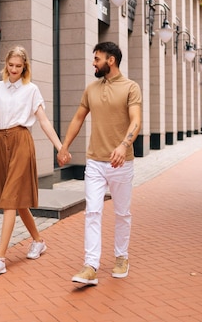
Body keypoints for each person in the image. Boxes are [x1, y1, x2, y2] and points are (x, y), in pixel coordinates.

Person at [57, 42, 142, 286]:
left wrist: (123, 145)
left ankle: (121, 257)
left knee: (122, 213)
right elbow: (78, 118)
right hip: (94, 161)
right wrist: (64, 146)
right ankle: (90, 266)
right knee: (92, 212)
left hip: (121, 163)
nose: (93, 63)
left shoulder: (130, 87)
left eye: (97, 59)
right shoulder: (91, 89)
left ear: (111, 60)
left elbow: (136, 120)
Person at [0, 46, 68, 275]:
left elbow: (44, 121)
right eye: (11, 65)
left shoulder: (31, 90)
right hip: (1, 141)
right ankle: (38, 241)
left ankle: (0, 258)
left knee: (9, 199)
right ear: (6, 64)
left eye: (19, 66)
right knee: (17, 201)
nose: (14, 70)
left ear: (25, 67)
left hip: (21, 141)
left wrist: (60, 147)